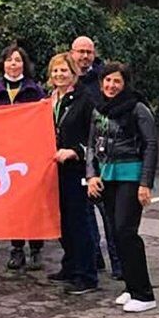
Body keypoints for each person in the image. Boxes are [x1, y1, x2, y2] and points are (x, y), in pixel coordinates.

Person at [86, 62, 159, 313]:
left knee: (126, 231)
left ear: (125, 83)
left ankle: (145, 294)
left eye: (116, 81)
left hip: (131, 175)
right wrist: (91, 175)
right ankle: (130, 287)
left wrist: (145, 183)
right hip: (108, 176)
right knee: (116, 235)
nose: (111, 85)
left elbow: (151, 145)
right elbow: (91, 146)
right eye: (107, 81)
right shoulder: (99, 110)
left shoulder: (138, 109)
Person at [0, 44, 48, 270]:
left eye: (18, 60)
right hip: (4, 156)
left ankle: (36, 249)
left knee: (33, 204)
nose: (13, 64)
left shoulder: (35, 90)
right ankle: (17, 248)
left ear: (24, 64)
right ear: (3, 64)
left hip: (29, 155)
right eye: (10, 60)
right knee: (14, 205)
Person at [44, 52, 99, 295]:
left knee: (80, 221)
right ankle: (70, 265)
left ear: (73, 72)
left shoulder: (85, 99)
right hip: (54, 168)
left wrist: (75, 151)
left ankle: (87, 275)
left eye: (63, 71)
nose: (59, 75)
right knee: (62, 220)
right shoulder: (50, 99)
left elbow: (95, 135)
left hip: (76, 168)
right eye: (55, 71)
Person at [72, 35, 122, 280]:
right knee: (86, 214)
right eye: (80, 52)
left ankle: (119, 263)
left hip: (102, 156)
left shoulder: (103, 79)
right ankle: (94, 258)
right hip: (76, 157)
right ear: (72, 54)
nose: (84, 56)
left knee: (109, 212)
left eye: (88, 52)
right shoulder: (67, 81)